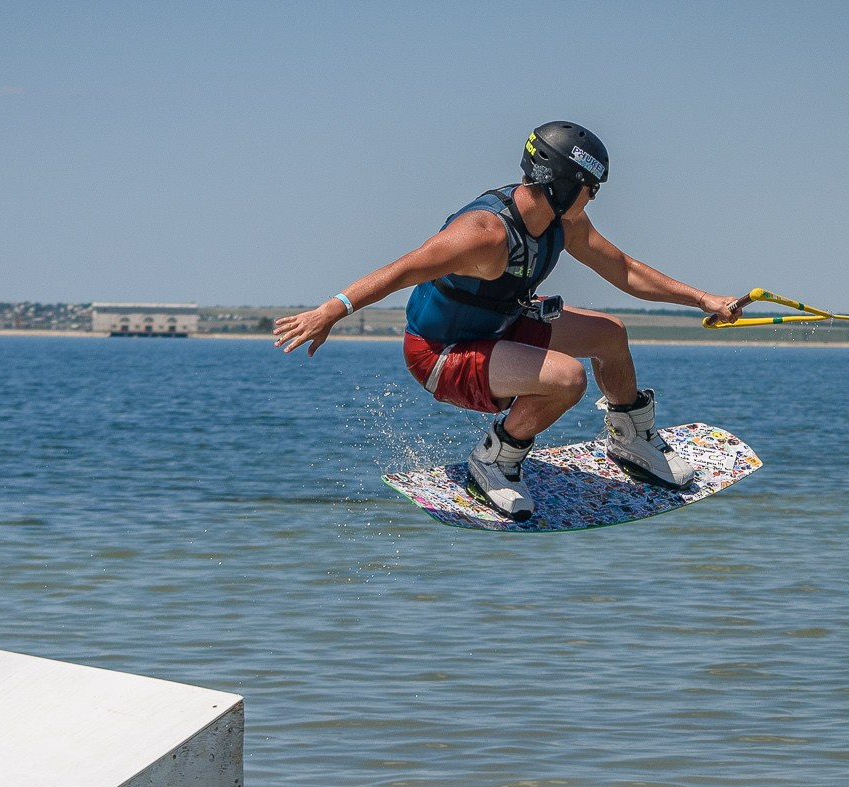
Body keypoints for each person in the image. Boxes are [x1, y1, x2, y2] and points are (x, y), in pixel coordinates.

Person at [274, 122, 750, 520]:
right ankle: (495, 460)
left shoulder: (566, 222)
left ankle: (633, 441)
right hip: (442, 353)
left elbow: (623, 269)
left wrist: (703, 299)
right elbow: (402, 270)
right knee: (567, 378)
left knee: (610, 334)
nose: (594, 198)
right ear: (563, 183)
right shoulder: (483, 235)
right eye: (592, 188)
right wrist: (331, 310)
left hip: (499, 325)